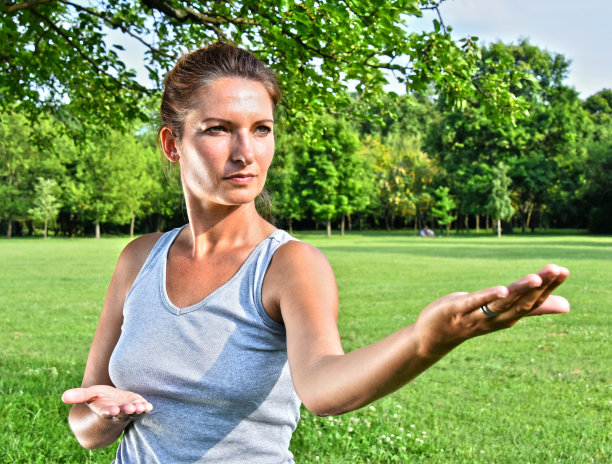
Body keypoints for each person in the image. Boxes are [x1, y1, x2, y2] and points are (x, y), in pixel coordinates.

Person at [61, 43, 570, 464]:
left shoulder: (288, 265)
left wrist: (426, 340)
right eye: (219, 129)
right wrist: (106, 415)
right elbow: (84, 423)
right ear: (172, 143)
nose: (247, 152)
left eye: (261, 128)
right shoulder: (138, 259)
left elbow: (323, 386)